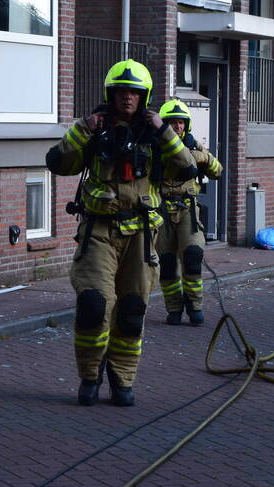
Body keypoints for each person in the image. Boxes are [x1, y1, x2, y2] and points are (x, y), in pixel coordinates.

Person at [46, 59, 197, 407]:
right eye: (121, 91)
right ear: (110, 94)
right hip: (98, 231)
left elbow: (188, 166)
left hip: (141, 237)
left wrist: (163, 130)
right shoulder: (94, 130)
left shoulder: (156, 134)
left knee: (131, 310)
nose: (127, 98)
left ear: (143, 97)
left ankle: (121, 378)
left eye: (134, 92)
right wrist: (83, 128)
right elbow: (57, 162)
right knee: (93, 303)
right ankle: (89, 375)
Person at [155, 98, 223, 326]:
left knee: (193, 256)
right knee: (166, 264)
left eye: (181, 123)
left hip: (187, 211)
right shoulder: (155, 147)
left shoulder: (195, 145)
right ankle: (174, 308)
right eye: (173, 123)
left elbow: (218, 171)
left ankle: (195, 306)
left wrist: (204, 158)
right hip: (162, 210)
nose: (178, 127)